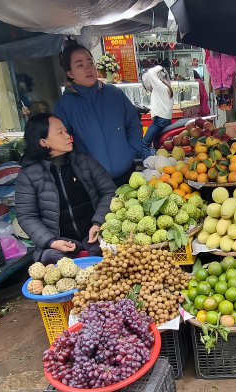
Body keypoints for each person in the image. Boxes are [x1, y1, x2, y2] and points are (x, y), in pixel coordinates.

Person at [15, 113, 116, 263]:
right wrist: (51, 242)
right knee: (50, 259)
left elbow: (109, 191)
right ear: (43, 142)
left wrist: (98, 223)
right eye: (60, 132)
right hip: (58, 241)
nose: (68, 136)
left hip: (93, 236)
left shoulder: (83, 160)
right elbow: (26, 216)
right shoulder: (28, 174)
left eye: (66, 131)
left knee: (112, 255)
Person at [53, 44, 143, 188]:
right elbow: (59, 141)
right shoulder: (65, 105)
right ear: (70, 73)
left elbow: (133, 123)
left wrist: (132, 149)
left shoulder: (114, 94)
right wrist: (79, 166)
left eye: (90, 62)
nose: (88, 69)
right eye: (80, 65)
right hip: (94, 182)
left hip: (127, 173)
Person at [141, 66, 174, 157]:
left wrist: (160, 66)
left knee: (144, 144)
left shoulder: (160, 86)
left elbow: (151, 72)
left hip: (160, 121)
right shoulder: (167, 87)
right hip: (165, 120)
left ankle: (147, 169)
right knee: (156, 145)